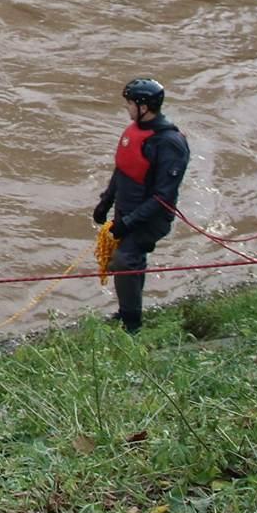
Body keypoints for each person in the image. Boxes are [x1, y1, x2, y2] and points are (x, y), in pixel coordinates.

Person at [93, 78, 188, 334]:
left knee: (125, 261)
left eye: (130, 103)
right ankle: (129, 312)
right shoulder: (134, 133)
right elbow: (123, 170)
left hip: (150, 218)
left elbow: (163, 196)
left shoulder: (169, 143)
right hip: (126, 211)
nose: (127, 108)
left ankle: (131, 325)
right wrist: (106, 202)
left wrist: (129, 223)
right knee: (127, 261)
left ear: (144, 106)